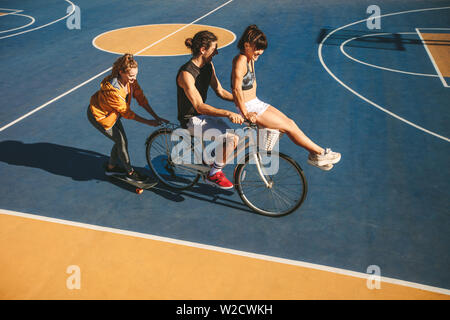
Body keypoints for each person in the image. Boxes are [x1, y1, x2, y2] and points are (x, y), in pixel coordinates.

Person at [231, 25, 341, 170]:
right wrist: (245, 114)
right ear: (246, 45)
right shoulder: (240, 60)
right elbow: (236, 89)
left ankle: (315, 155)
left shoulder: (250, 58)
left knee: (290, 123)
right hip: (249, 107)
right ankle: (319, 153)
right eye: (257, 49)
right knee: (288, 128)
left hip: (256, 103)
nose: (260, 53)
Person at [176, 30, 244, 189]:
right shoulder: (186, 74)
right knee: (232, 139)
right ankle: (213, 174)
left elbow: (219, 91)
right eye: (214, 49)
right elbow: (199, 106)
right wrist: (228, 113)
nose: (217, 52)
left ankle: (211, 164)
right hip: (190, 120)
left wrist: (242, 101)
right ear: (203, 50)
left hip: (201, 117)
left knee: (232, 139)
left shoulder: (208, 66)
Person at [87, 53, 168, 182]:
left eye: (136, 75)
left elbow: (141, 99)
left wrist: (156, 116)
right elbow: (127, 113)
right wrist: (149, 122)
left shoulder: (131, 82)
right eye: (131, 75)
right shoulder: (113, 91)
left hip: (113, 113)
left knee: (121, 141)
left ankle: (111, 167)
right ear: (121, 72)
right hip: (100, 116)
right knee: (121, 141)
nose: (134, 78)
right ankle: (130, 173)